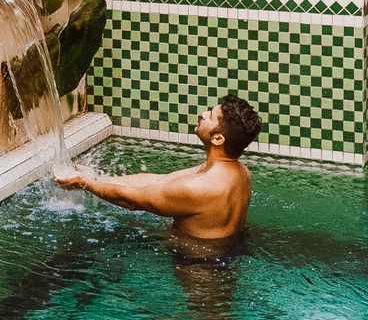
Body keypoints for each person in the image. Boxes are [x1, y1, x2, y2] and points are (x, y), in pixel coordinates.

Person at [57, 95, 262, 244]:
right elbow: (157, 181)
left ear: (218, 138)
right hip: (224, 251)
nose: (202, 114)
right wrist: (97, 177)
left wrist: (85, 184)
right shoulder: (238, 172)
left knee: (202, 306)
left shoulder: (199, 188)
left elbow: (130, 201)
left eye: (210, 116)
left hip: (200, 267)